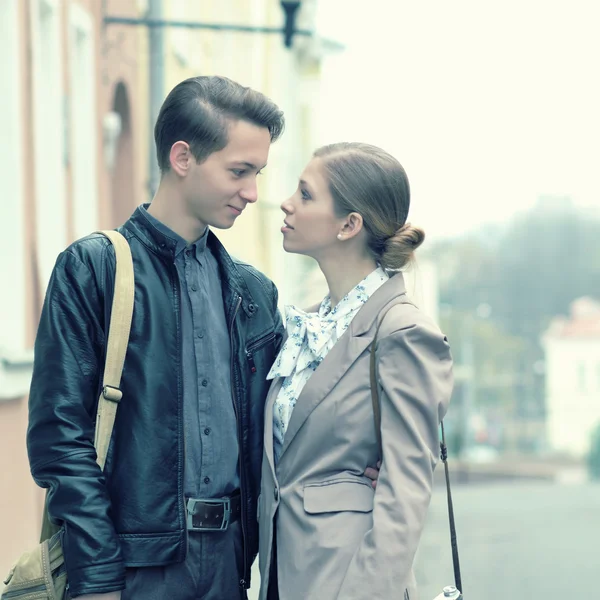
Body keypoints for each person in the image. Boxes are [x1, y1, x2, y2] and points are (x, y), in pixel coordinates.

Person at [26, 76, 286, 600]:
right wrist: (97, 576)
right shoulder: (94, 268)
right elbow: (60, 438)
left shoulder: (254, 294)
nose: (253, 193)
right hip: (131, 570)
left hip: (232, 567)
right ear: (183, 157)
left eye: (257, 173)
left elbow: (282, 430)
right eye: (239, 171)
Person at [258, 142, 454, 600]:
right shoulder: (307, 326)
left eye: (305, 194)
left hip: (347, 581)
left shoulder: (402, 332)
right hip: (282, 579)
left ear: (349, 225)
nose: (286, 202)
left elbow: (404, 499)